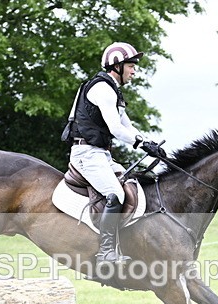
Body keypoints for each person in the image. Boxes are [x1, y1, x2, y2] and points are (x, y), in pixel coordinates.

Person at [64, 42, 166, 267]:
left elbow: (126, 125)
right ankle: (105, 252)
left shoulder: (113, 90)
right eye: (131, 65)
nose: (134, 71)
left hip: (100, 155)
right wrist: (141, 144)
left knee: (132, 184)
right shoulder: (102, 89)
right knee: (115, 195)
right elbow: (115, 129)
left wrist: (149, 143)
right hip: (86, 154)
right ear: (117, 66)